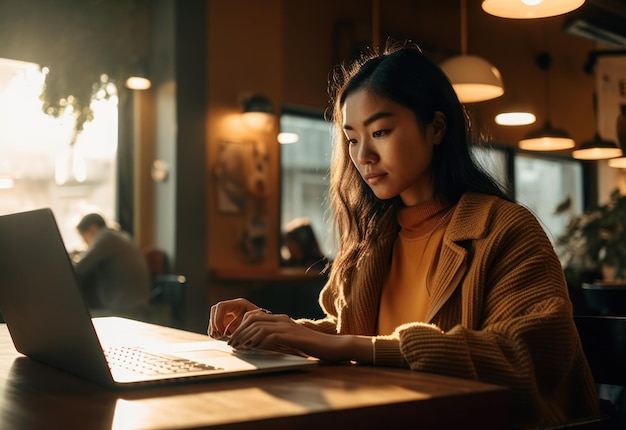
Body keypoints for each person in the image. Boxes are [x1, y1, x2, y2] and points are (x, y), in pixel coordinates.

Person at [208, 41, 600, 428]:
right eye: (352, 138)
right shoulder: (373, 239)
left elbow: (521, 360)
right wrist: (278, 329)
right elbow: (352, 336)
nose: (363, 157)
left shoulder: (505, 230)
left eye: (380, 132)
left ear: (436, 128)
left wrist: (340, 344)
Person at [73, 213, 151, 319]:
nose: (84, 242)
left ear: (92, 229)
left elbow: (79, 267)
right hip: (134, 306)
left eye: (83, 236)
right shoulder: (119, 237)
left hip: (123, 310)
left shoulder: (106, 237)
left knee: (75, 317)